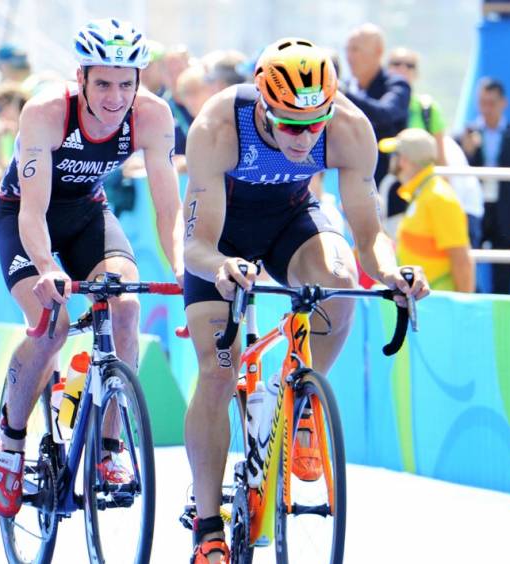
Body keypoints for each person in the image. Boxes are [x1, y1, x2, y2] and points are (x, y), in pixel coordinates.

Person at [181, 38, 430, 563]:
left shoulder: (349, 127)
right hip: (220, 239)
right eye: (292, 125)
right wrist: (221, 267)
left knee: (341, 285)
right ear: (263, 107)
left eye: (316, 123)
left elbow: (370, 236)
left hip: (291, 221)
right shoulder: (219, 125)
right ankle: (207, 527)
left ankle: (291, 402)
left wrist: (392, 272)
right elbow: (197, 244)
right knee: (218, 371)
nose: (306, 137)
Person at [0, 18, 184, 518]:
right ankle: (11, 443)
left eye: (125, 84)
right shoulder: (46, 112)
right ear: (81, 78)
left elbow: (168, 209)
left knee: (126, 306)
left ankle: (109, 448)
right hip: (23, 216)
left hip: (87, 214)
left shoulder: (153, 115)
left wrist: (183, 266)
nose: (116, 97)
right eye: (103, 84)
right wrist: (46, 267)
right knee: (51, 324)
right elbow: (33, 211)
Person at [458, 78, 510, 294]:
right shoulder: (465, 136)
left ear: (504, 103)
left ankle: (499, 312)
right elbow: (458, 177)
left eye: (492, 103)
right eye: (482, 103)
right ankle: (474, 308)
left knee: (503, 277)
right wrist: (468, 152)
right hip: (475, 211)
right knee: (466, 267)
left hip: (508, 214)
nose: (486, 109)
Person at [381, 129, 474, 292]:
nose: (391, 160)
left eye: (394, 155)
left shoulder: (438, 197)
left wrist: (462, 304)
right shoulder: (424, 193)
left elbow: (462, 260)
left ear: (404, 160)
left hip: (437, 301)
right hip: (425, 298)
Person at [343, 24, 411, 188]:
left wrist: (344, 95)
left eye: (356, 49)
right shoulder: (346, 86)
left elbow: (385, 114)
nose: (349, 56)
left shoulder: (397, 85)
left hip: (388, 185)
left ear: (378, 52)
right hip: (348, 179)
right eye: (347, 49)